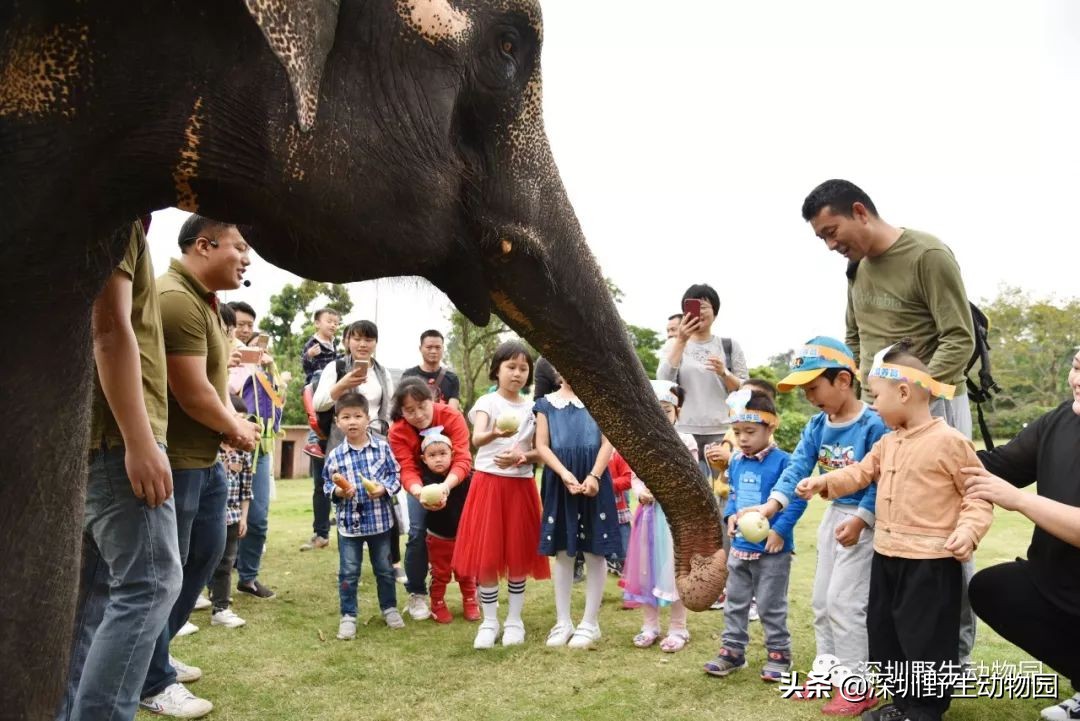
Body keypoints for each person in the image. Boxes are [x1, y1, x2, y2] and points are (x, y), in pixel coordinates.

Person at [802, 178, 980, 663]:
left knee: (943, 534)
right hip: (883, 412)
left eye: (832, 230)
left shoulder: (927, 255)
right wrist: (869, 401)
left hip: (934, 408)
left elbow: (958, 340)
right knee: (889, 527)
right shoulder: (857, 270)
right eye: (822, 238)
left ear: (860, 211)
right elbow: (855, 336)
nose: (831, 244)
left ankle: (954, 658)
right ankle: (901, 658)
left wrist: (911, 398)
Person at [795, 342, 993, 721]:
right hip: (887, 557)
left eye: (876, 396)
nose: (873, 405)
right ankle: (902, 703)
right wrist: (824, 483)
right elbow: (859, 473)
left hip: (931, 563)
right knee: (887, 633)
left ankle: (924, 711)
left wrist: (969, 531)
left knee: (926, 640)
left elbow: (978, 495)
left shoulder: (949, 442)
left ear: (903, 392)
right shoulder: (887, 442)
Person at [56, 221, 182, 721]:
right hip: (116, 440)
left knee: (95, 594)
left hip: (93, 441)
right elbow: (107, 328)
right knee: (150, 583)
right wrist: (138, 439)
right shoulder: (115, 212)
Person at [139, 215, 260, 719]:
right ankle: (151, 680)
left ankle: (157, 654)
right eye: (239, 247)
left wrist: (229, 424)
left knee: (206, 553)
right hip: (177, 459)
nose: (247, 258)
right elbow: (190, 392)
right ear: (205, 246)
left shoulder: (206, 302)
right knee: (165, 573)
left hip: (205, 458)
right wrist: (236, 426)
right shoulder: (174, 298)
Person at [749, 337, 887, 716]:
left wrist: (862, 519)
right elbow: (798, 468)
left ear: (843, 380)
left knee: (846, 601)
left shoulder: (874, 424)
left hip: (864, 521)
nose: (809, 396)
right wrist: (772, 504)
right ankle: (828, 670)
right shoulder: (816, 425)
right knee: (822, 600)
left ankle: (857, 683)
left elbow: (882, 480)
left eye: (814, 387)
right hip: (833, 517)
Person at [963, 348, 1080, 721]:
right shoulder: (1059, 421)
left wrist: (1018, 501)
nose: (1077, 381)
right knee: (994, 588)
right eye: (1077, 367)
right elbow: (998, 467)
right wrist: (930, 448)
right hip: (1056, 582)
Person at [453, 341, 551, 649]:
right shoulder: (488, 402)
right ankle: (490, 621)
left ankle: (515, 621)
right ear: (497, 370)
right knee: (487, 555)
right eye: (511, 367)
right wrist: (497, 433)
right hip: (488, 485)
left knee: (518, 554)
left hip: (520, 486)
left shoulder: (535, 407)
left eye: (524, 368)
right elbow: (477, 438)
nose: (517, 374)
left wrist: (522, 457)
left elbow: (541, 450)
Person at [705, 390, 802, 682]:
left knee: (771, 604)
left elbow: (796, 500)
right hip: (740, 547)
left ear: (770, 427)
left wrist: (779, 531)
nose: (743, 439)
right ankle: (732, 652)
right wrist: (730, 516)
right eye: (737, 432)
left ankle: (779, 653)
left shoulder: (785, 463)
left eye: (750, 431)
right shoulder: (735, 461)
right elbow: (733, 496)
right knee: (735, 600)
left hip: (773, 549)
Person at [534, 369, 620, 649]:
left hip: (594, 478)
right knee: (562, 551)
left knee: (595, 550)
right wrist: (563, 473)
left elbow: (609, 440)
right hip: (561, 481)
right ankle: (563, 621)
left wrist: (594, 475)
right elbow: (542, 446)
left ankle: (590, 622)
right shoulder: (546, 404)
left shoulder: (600, 399)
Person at [388, 378, 474, 623]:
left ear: (432, 399)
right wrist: (419, 493)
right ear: (401, 411)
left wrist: (446, 487)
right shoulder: (398, 431)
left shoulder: (451, 416)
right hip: (420, 486)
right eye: (409, 410)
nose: (417, 414)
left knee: (465, 531)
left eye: (422, 406)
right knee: (416, 532)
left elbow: (464, 459)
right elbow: (406, 467)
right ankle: (417, 593)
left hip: (455, 482)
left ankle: (473, 589)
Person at [621, 380, 697, 653]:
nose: (660, 415)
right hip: (649, 515)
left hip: (674, 517)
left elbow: (690, 477)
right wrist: (641, 491)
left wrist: (667, 491)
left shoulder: (686, 440)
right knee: (647, 570)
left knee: (675, 570)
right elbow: (634, 475)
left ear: (678, 411)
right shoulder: (640, 439)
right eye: (655, 409)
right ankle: (649, 625)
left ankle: (679, 627)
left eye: (666, 410)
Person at [322, 392, 406, 639]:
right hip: (349, 526)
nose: (352, 422)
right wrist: (338, 491)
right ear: (338, 422)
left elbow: (395, 475)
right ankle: (348, 615)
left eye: (358, 416)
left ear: (367, 419)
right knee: (349, 572)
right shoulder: (336, 455)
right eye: (346, 417)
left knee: (384, 569)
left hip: (380, 522)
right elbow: (326, 485)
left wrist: (384, 489)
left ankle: (389, 608)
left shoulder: (382, 448)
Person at [657, 283, 749, 472]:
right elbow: (663, 381)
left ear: (715, 312)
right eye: (693, 306)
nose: (699, 312)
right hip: (683, 432)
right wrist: (682, 340)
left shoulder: (729, 346)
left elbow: (745, 388)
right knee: (686, 493)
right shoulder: (674, 344)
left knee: (722, 492)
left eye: (704, 307)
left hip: (722, 432)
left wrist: (724, 372)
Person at [226, 300, 283, 601]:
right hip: (228, 445)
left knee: (258, 517)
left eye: (250, 324)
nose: (246, 330)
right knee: (222, 517)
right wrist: (238, 366)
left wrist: (267, 368)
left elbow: (276, 401)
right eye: (240, 324)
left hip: (260, 446)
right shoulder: (222, 355)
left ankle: (247, 577)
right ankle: (214, 582)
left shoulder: (263, 361)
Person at [415, 431, 477, 623]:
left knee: (466, 572)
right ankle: (438, 603)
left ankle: (470, 600)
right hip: (438, 537)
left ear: (452, 454)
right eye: (432, 455)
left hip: (463, 536)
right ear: (424, 459)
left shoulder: (464, 477)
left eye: (443, 453)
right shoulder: (425, 481)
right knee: (440, 574)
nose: (438, 459)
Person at [207, 396, 254, 629]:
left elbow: (247, 489)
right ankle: (187, 606)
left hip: (233, 517)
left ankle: (221, 608)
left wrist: (244, 517)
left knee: (226, 563)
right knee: (200, 560)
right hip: (207, 516)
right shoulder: (207, 449)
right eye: (237, 420)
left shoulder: (244, 453)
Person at [312, 319, 395, 445]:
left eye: (368, 340)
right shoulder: (336, 367)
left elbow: (389, 411)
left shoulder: (383, 373)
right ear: (348, 341)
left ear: (375, 343)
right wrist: (342, 385)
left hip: (377, 442)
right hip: (342, 442)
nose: (362, 344)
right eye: (357, 339)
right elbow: (318, 404)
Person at [301, 307, 342, 459]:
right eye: (329, 321)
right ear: (317, 323)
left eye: (336, 323)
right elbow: (305, 366)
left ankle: (320, 442)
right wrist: (309, 355)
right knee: (316, 413)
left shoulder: (332, 343)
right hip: (316, 382)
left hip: (329, 384)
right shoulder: (313, 342)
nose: (333, 325)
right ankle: (312, 442)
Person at [401, 329, 461, 410]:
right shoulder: (408, 376)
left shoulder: (452, 378)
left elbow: (452, 412)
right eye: (429, 347)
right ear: (420, 348)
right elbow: (404, 407)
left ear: (443, 349)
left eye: (438, 347)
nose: (433, 351)